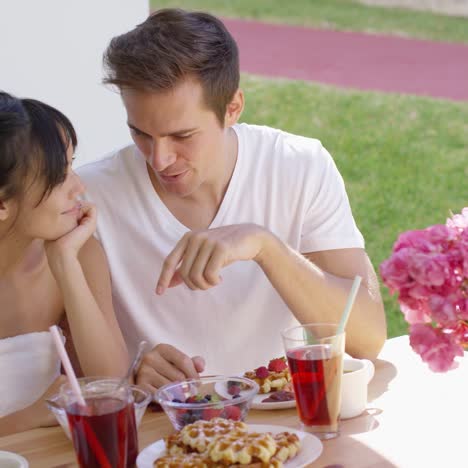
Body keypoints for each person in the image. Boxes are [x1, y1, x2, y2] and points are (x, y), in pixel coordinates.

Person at [77, 8, 386, 391]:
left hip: (278, 422)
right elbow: (67, 364)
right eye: (141, 134)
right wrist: (133, 373)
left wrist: (266, 248)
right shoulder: (89, 196)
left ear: (233, 108)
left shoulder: (299, 166)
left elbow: (367, 338)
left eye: (182, 136)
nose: (159, 159)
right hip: (158, 432)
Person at [0, 91, 129, 436]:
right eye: (59, 176)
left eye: (72, 165)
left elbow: (111, 386)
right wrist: (24, 419)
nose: (79, 188)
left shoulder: (80, 255)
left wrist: (66, 265)